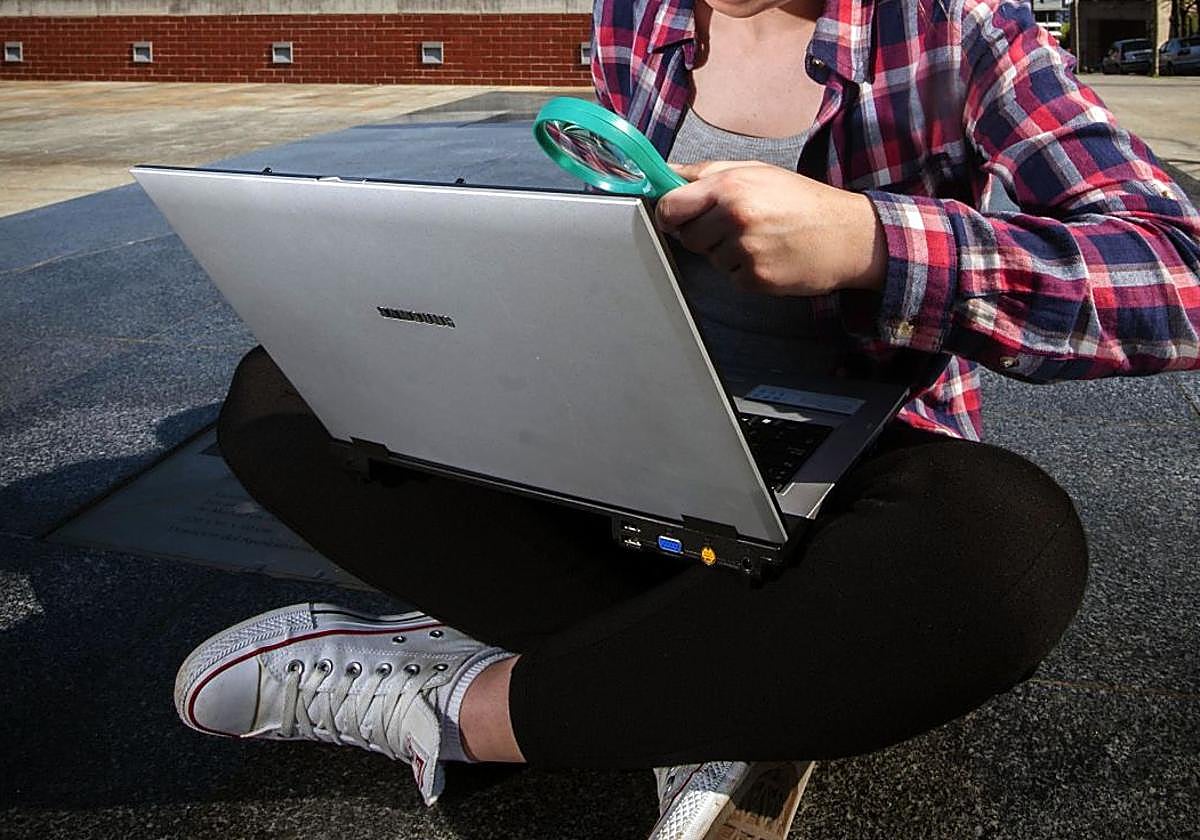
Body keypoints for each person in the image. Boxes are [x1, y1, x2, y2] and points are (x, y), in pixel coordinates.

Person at [173, 0, 1200, 837]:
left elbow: (1175, 272)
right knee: (284, 394)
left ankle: (459, 706)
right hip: (636, 404)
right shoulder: (639, 16)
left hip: (850, 470)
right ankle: (710, 683)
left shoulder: (963, 34)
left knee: (1000, 552)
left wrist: (873, 243)